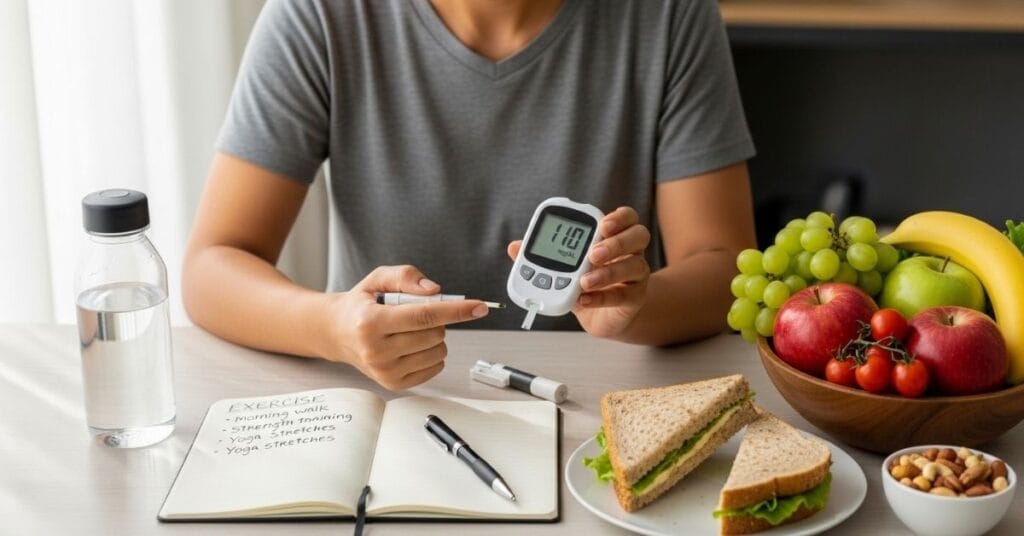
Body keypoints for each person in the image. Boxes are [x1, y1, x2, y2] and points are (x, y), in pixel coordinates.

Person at [182, 0, 757, 390]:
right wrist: (331, 326)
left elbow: (723, 267)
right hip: (386, 407)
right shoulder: (320, 14)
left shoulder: (669, 14)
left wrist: (636, 309)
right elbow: (212, 266)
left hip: (598, 403)